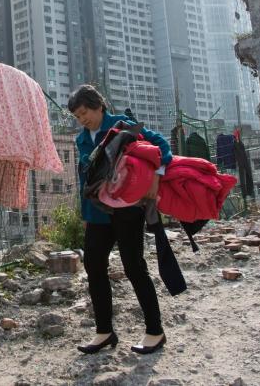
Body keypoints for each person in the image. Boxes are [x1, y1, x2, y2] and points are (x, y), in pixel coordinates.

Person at [68, 84, 172, 356]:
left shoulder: (122, 126)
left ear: (98, 105)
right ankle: (104, 331)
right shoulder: (81, 140)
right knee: (93, 266)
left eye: (84, 112)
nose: (82, 119)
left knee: (134, 266)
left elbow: (161, 144)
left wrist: (156, 177)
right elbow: (86, 180)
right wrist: (85, 215)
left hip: (127, 208)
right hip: (97, 213)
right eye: (77, 116)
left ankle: (154, 331)